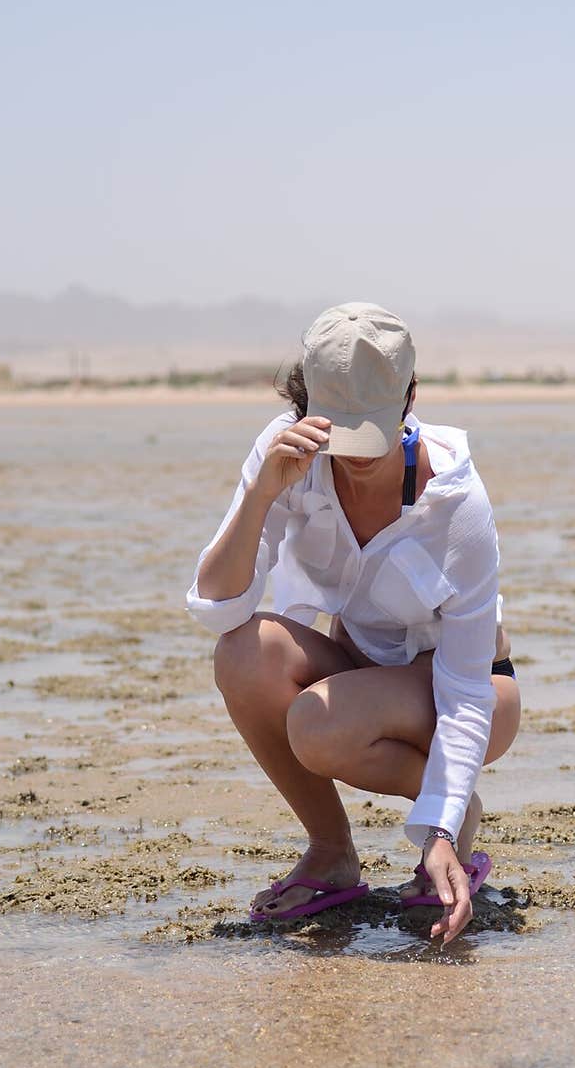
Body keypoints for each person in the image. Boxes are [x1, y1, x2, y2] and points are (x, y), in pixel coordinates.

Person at [185, 302, 521, 944]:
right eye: (340, 430)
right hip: (360, 672)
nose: (355, 455)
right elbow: (218, 608)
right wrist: (261, 493)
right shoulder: (285, 452)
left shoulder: (457, 503)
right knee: (242, 653)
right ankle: (331, 852)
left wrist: (439, 830)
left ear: (410, 397)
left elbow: (466, 688)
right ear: (306, 405)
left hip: (471, 689)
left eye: (372, 429)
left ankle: (454, 813)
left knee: (318, 723)